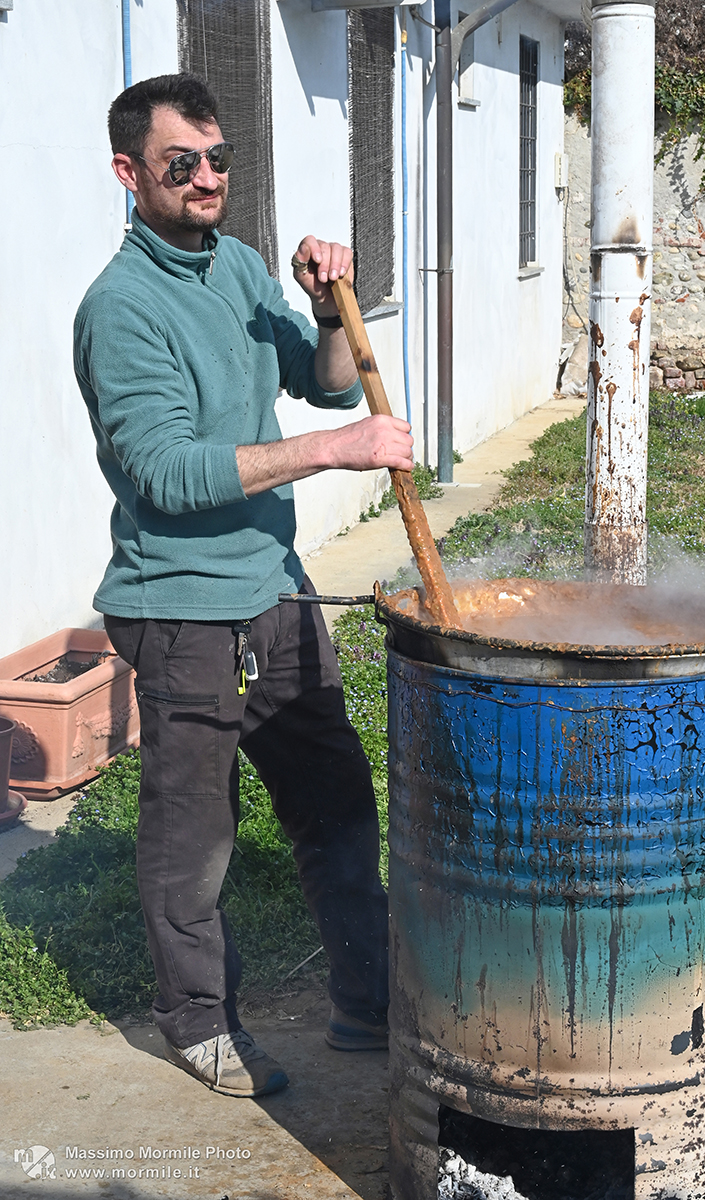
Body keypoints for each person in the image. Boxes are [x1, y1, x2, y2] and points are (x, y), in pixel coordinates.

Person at [73, 73, 413, 1099]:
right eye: (185, 164)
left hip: (275, 588)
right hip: (179, 608)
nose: (209, 178)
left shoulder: (236, 266)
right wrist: (334, 451)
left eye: (221, 160)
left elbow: (323, 381)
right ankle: (197, 1022)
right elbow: (166, 475)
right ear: (131, 173)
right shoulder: (120, 309)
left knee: (336, 803)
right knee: (195, 835)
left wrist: (320, 313)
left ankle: (368, 999)